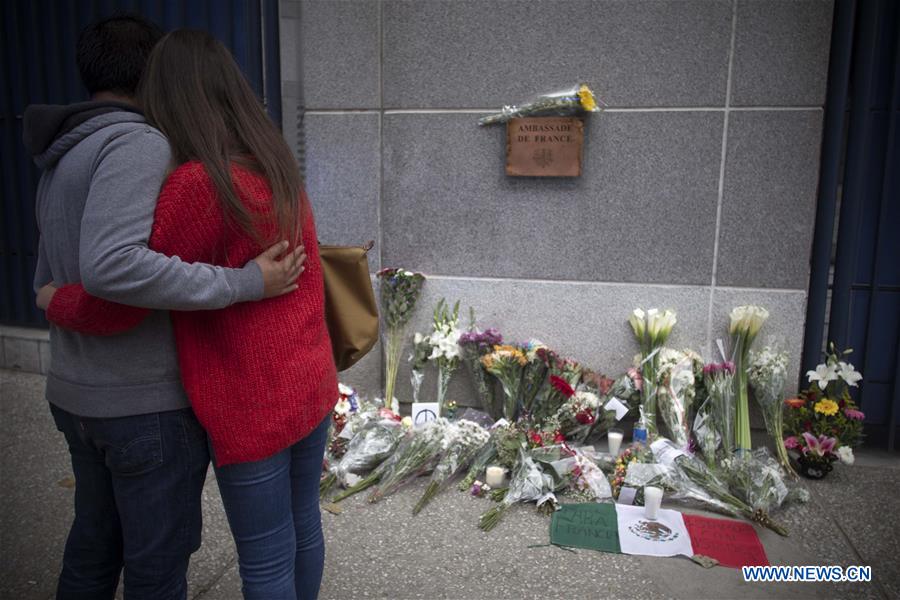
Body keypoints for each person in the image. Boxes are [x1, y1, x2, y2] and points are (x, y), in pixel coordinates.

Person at [38, 29, 339, 600]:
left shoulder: (198, 184)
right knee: (304, 528)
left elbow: (122, 296)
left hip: (248, 399)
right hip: (309, 381)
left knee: (268, 556)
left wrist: (58, 300)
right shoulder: (276, 165)